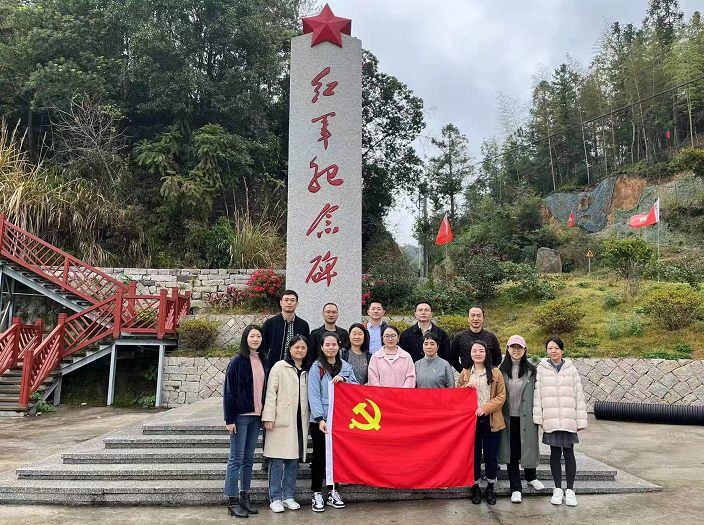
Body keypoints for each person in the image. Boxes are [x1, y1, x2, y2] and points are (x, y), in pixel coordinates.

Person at [533, 337, 587, 507]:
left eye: (556, 348)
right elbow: (537, 395)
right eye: (550, 348)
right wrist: (539, 418)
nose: (553, 351)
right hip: (551, 418)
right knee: (555, 454)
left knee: (569, 454)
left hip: (569, 418)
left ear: (562, 351)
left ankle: (570, 490)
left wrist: (581, 420)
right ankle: (557, 489)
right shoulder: (541, 369)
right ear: (546, 351)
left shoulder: (571, 369)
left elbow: (579, 395)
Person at [308, 332, 359, 512]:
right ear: (322, 347)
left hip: (340, 418)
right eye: (327, 345)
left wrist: (344, 380)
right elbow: (313, 395)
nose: (331, 348)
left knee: (336, 456)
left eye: (334, 344)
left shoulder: (345, 366)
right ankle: (316, 492)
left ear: (339, 346)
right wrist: (319, 418)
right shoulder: (316, 367)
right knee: (320, 455)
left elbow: (356, 388)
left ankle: (333, 491)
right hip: (321, 420)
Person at [262, 336, 310, 513]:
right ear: (290, 349)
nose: (300, 350)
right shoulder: (280, 366)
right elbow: (270, 392)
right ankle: (275, 497)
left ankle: (288, 496)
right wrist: (268, 417)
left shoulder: (307, 369)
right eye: (297, 347)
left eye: (303, 347)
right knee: (277, 460)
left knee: (293, 461)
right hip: (280, 419)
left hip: (299, 421)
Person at [222, 325, 267, 517]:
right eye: (252, 336)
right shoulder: (237, 361)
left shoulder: (263, 360)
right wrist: (229, 419)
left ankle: (245, 496)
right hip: (240, 417)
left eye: (258, 336)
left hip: (256, 417)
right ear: (245, 338)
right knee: (236, 459)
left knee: (249, 459)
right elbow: (228, 391)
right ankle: (232, 500)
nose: (255, 339)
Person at [497, 335, 545, 503]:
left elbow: (539, 394)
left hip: (527, 417)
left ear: (525, 350)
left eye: (519, 347)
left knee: (529, 447)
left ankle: (531, 477)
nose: (516, 350)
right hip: (508, 417)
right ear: (508, 349)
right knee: (512, 452)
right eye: (513, 347)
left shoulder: (532, 371)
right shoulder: (500, 371)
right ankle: (516, 487)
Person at [458, 340, 506, 506]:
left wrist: (485, 408)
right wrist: (465, 387)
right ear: (470, 354)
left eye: (481, 351)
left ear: (486, 353)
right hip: (471, 422)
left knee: (491, 455)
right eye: (474, 351)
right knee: (474, 454)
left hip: (491, 419)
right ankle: (476, 486)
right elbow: (457, 394)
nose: (477, 354)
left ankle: (491, 486)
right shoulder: (465, 373)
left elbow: (501, 396)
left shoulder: (495, 373)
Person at [262, 290, 310, 371]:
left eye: (292, 300)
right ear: (281, 303)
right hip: (274, 367)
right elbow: (263, 347)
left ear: (297, 304)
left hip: (296, 368)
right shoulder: (270, 324)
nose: (289, 303)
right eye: (286, 300)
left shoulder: (303, 325)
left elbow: (306, 347)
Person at [451, 306, 502, 373]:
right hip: (467, 376)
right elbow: (453, 357)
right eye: (472, 315)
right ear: (468, 318)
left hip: (488, 376)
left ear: (483, 318)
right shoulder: (459, 337)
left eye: (479, 316)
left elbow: (497, 358)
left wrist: (490, 370)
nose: (475, 318)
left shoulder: (491, 336)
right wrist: (462, 371)